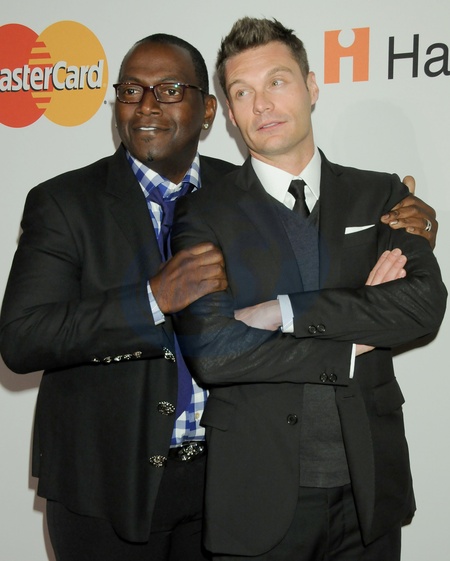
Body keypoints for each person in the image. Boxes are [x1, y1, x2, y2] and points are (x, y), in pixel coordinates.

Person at [0, 30, 438, 561]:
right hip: (110, 482)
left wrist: (412, 229)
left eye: (169, 90)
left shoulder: (248, 186)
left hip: (227, 474)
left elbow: (370, 286)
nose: (146, 105)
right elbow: (22, 337)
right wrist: (151, 299)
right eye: (131, 91)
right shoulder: (64, 202)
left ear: (209, 111)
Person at [171, 18, 447, 561]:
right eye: (242, 92)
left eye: (277, 81)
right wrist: (354, 339)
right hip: (258, 491)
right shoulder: (203, 214)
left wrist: (283, 311)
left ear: (312, 87)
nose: (262, 105)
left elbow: (422, 306)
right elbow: (215, 351)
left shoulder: (380, 193)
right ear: (230, 114)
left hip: (368, 489)